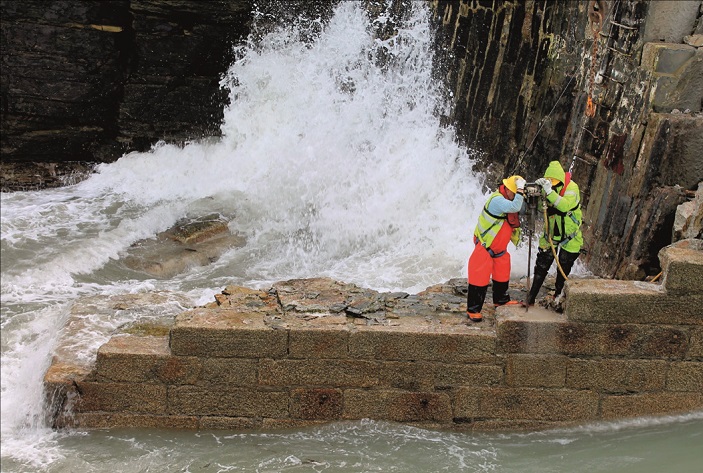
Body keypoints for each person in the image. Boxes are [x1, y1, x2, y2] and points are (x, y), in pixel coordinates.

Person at [467, 175, 526, 322]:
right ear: (507, 189)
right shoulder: (497, 200)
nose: (516, 196)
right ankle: (473, 309)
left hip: (499, 249)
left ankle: (501, 300)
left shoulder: (509, 198)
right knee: (479, 277)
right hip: (485, 247)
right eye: (515, 192)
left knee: (502, 273)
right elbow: (515, 207)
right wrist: (520, 189)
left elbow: (520, 207)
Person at [524, 160, 583, 306]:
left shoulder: (572, 189)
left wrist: (549, 191)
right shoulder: (546, 187)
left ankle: (558, 296)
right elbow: (540, 207)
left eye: (555, 183)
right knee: (542, 265)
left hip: (570, 237)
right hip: (550, 234)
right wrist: (533, 197)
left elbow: (564, 206)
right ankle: (530, 298)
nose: (553, 185)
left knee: (564, 266)